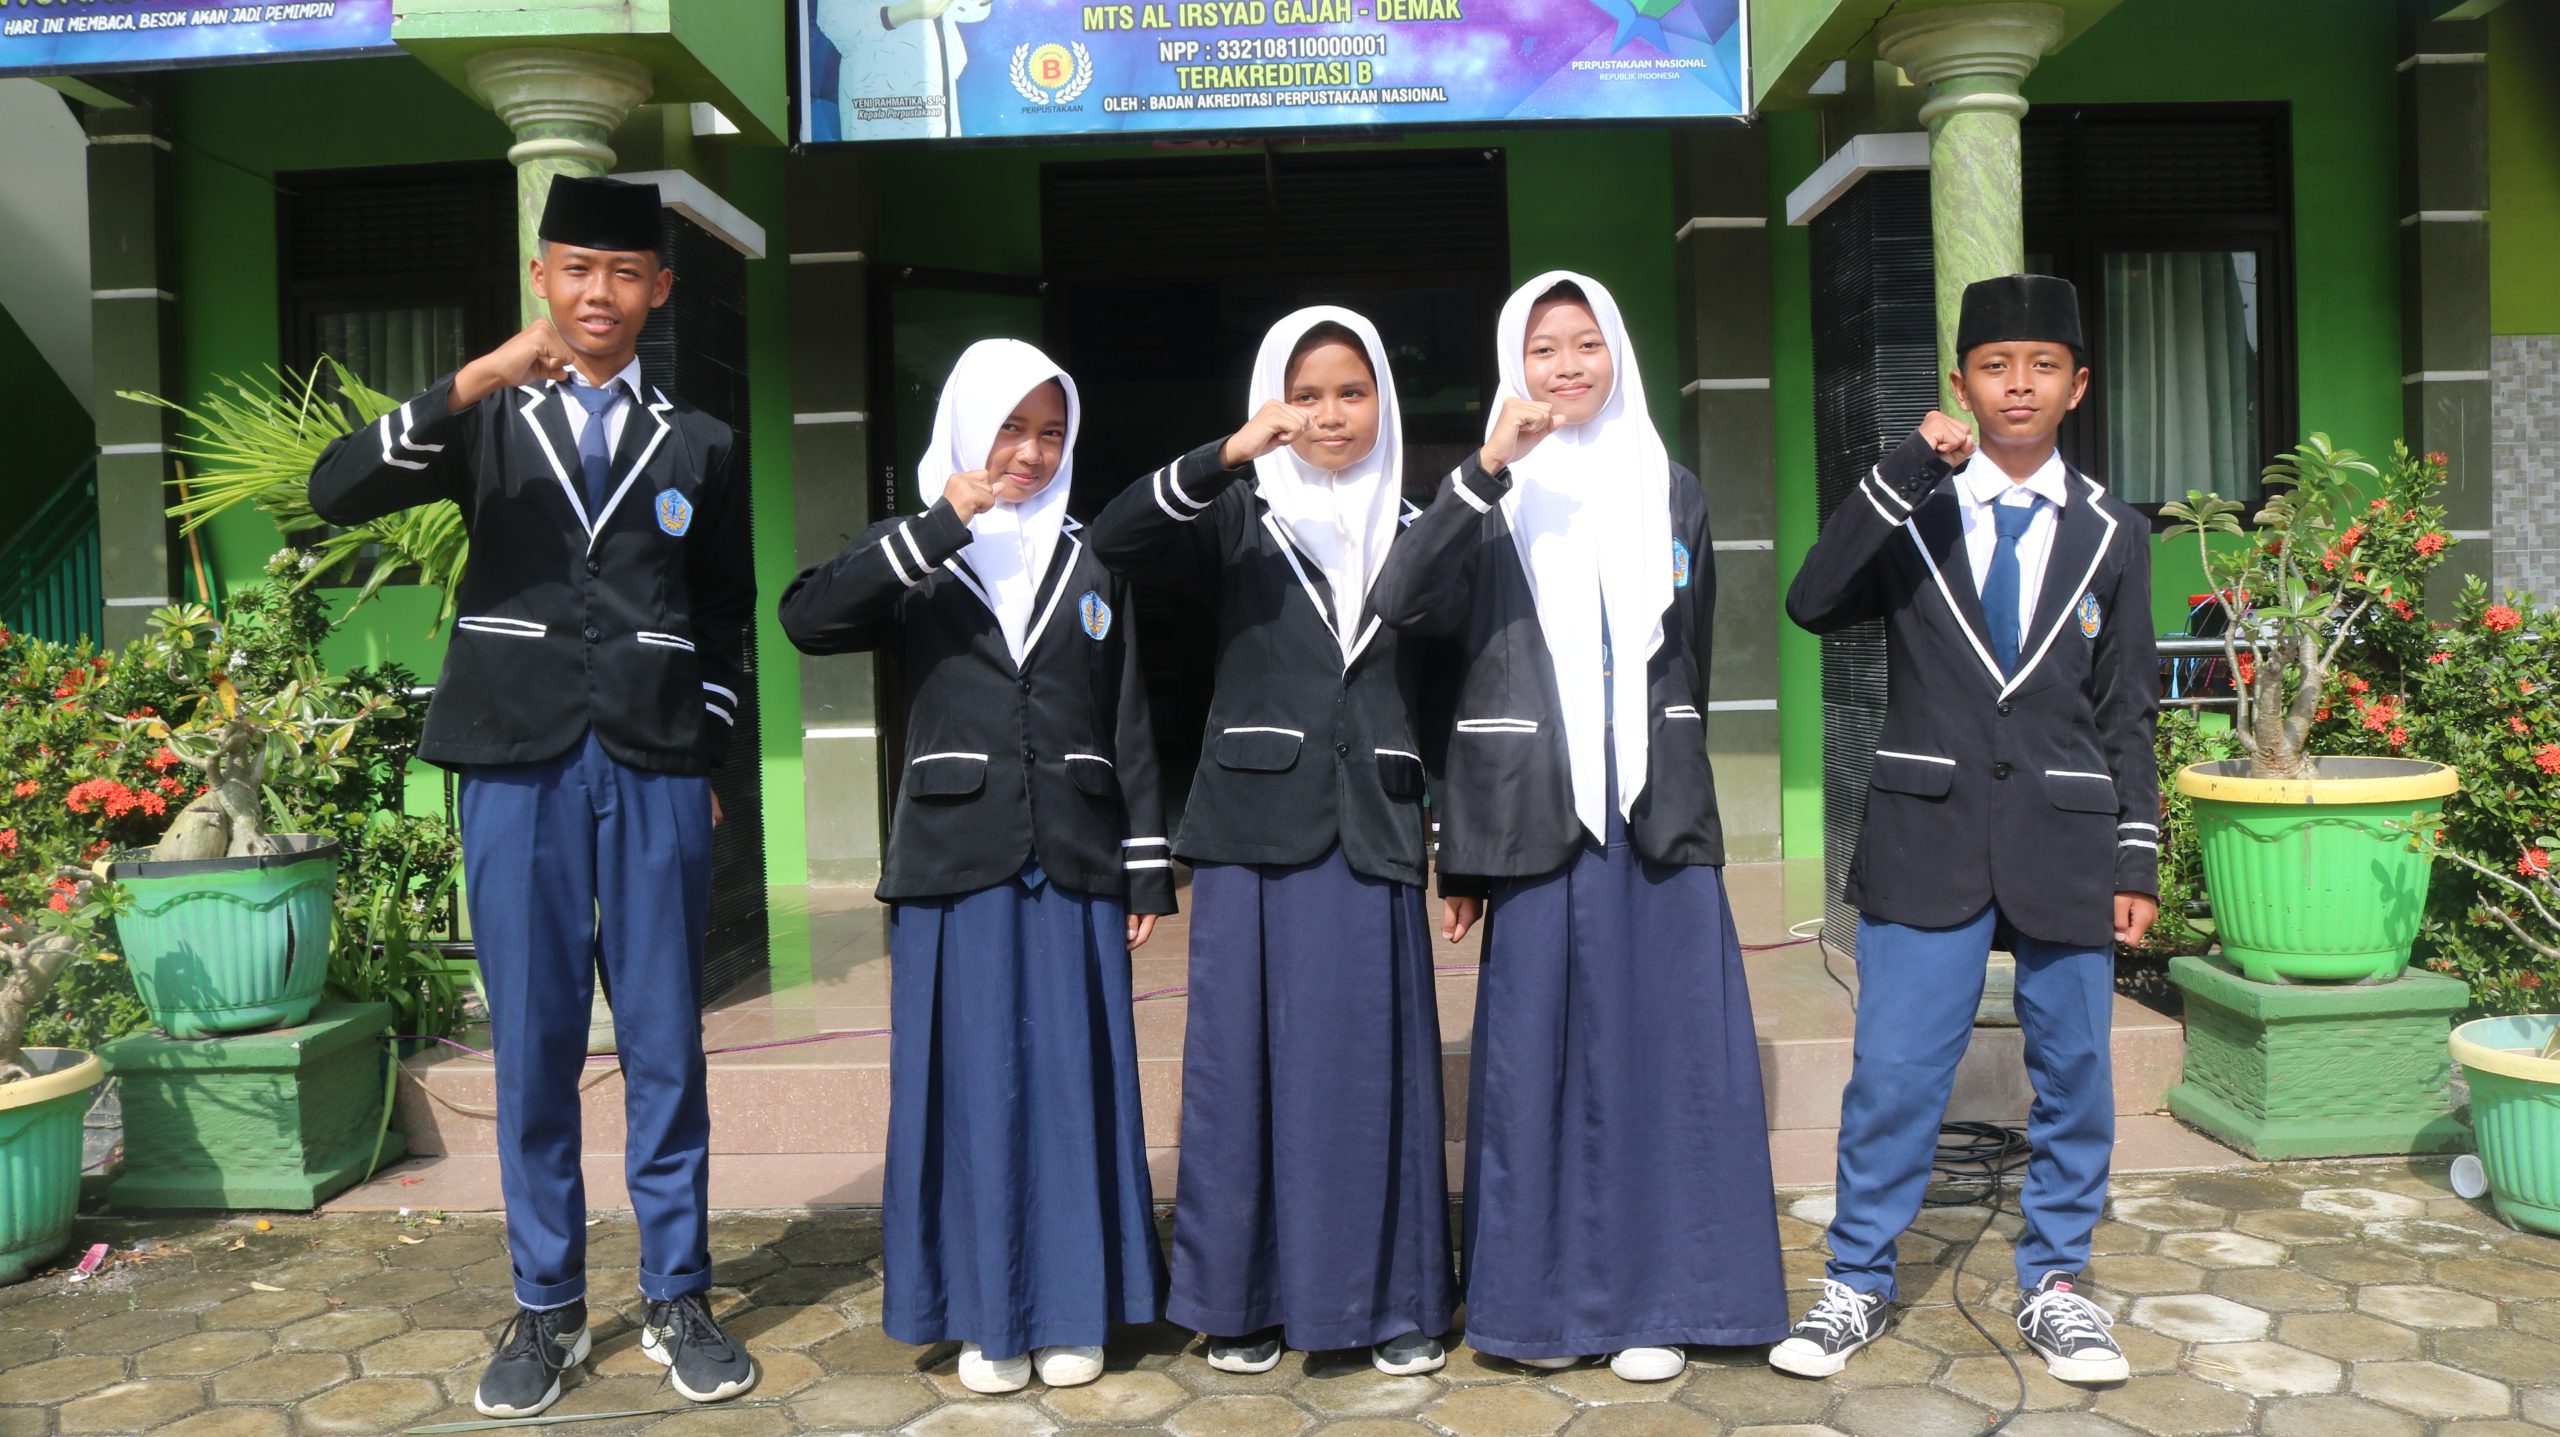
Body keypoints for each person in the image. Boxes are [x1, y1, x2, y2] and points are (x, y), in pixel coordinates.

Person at [306, 175, 756, 1418]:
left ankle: (678, 1294)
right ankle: (548, 1305)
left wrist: (707, 754)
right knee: (535, 1046)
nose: (598, 293)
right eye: (577, 268)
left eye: (625, 272)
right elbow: (335, 490)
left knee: (665, 1043)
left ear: (659, 289)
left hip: (654, 768)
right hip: (515, 764)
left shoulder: (702, 442)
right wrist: (470, 380)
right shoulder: (486, 418)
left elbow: (722, 615)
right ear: (541, 276)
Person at [1368, 272, 1789, 1383]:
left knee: (1673, 1057)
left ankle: (1667, 1299)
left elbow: (1691, 649)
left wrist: (1669, 766)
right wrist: (1483, 470)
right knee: (1537, 1067)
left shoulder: (1670, 487)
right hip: (1534, 818)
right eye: (1543, 347)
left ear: (1618, 355)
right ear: (1515, 363)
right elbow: (1401, 606)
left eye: (1586, 343)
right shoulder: (1488, 493)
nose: (1566, 367)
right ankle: (1544, 1312)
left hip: (1653, 814)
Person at [1773, 273, 2158, 1385]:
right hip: (1925, 834)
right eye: (1995, 366)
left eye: (2042, 366)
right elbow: (1811, 599)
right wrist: (1903, 469)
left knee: (2076, 1072)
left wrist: (2136, 853)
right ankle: (1856, 1279)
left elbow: (2127, 706)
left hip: (2067, 838)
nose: (2018, 384)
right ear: (1961, 382)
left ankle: (2058, 1284)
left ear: (2078, 385)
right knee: (1894, 1073)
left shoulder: (2116, 531)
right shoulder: (1915, 509)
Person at [777, 339, 1172, 1395]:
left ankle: (1075, 1306)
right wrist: (941, 521)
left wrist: (1144, 866)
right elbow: (809, 618)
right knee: (970, 1086)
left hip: (1077, 852)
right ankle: (987, 1315)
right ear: (963, 428)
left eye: (1050, 432)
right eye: (1009, 429)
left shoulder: (1093, 556)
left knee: (1076, 1083)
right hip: (956, 858)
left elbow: (1127, 713)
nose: (1030, 454)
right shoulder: (916, 548)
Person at [1086, 308, 1456, 1377]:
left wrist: (1455, 835)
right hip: (1251, 826)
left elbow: (1448, 688)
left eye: (1351, 392)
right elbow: (1114, 540)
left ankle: (1392, 1298)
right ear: (1274, 402)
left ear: (1383, 400)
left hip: (1375, 821)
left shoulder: (1423, 523)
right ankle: (1241, 1299)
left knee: (1373, 1071)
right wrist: (1226, 454)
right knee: (1242, 1069)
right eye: (1306, 395)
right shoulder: (1238, 517)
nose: (1330, 414)